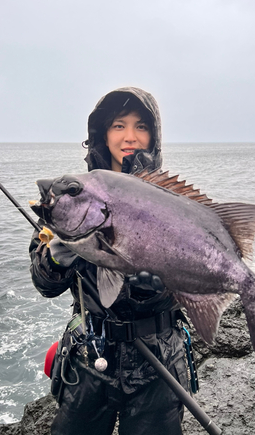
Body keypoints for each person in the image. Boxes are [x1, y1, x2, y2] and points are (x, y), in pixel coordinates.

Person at [29, 87, 189, 435]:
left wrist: (159, 290)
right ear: (102, 133)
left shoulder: (174, 200)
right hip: (89, 358)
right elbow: (44, 284)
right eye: (119, 125)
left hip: (159, 362)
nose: (130, 137)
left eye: (141, 126)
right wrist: (56, 258)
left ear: (154, 135)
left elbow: (195, 281)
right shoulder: (70, 195)